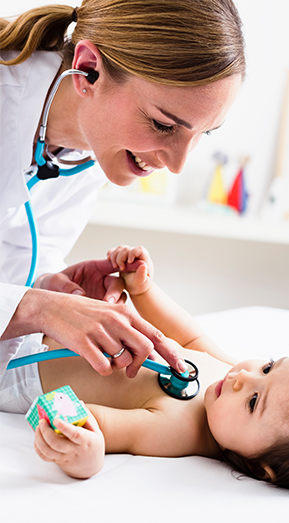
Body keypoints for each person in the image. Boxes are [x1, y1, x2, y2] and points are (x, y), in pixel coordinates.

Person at [19, 245, 289, 498]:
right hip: (57, 318)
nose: (244, 377)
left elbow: (99, 423)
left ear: (260, 468)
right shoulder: (230, 377)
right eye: (269, 366)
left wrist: (86, 455)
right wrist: (144, 289)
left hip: (24, 370)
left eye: (255, 401)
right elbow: (189, 335)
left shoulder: (179, 430)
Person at [0, 1, 245, 378]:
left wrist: (49, 287)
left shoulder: (92, 145)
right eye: (164, 126)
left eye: (202, 133)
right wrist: (37, 308)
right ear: (89, 70)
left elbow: (24, 246)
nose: (177, 165)